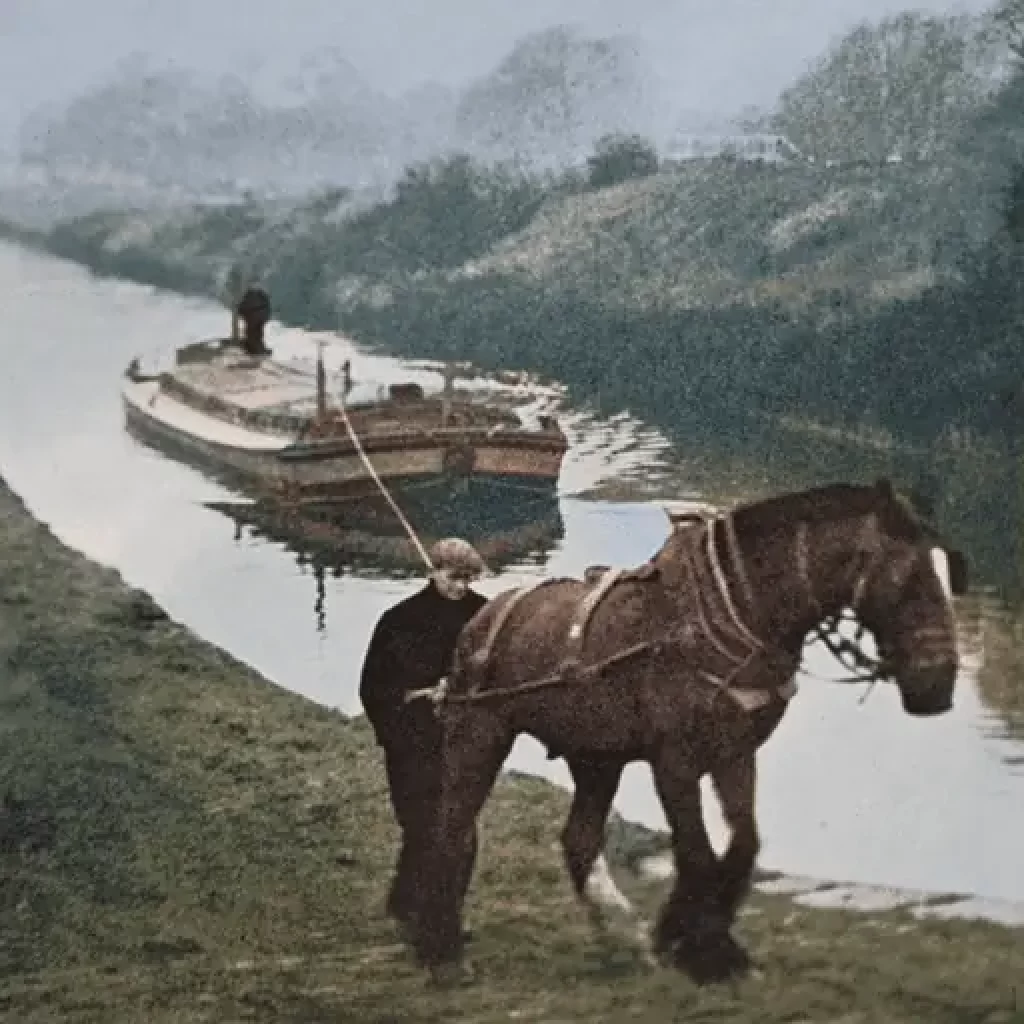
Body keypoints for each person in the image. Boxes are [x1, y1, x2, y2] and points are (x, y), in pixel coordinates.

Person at [359, 537, 488, 931]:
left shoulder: (484, 616)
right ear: (432, 570)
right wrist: (413, 705)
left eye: (468, 579)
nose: (461, 587)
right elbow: (372, 689)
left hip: (462, 743)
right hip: (411, 742)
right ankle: (409, 904)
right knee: (421, 828)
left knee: (460, 833)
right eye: (454, 578)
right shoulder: (400, 620)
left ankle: (442, 913)